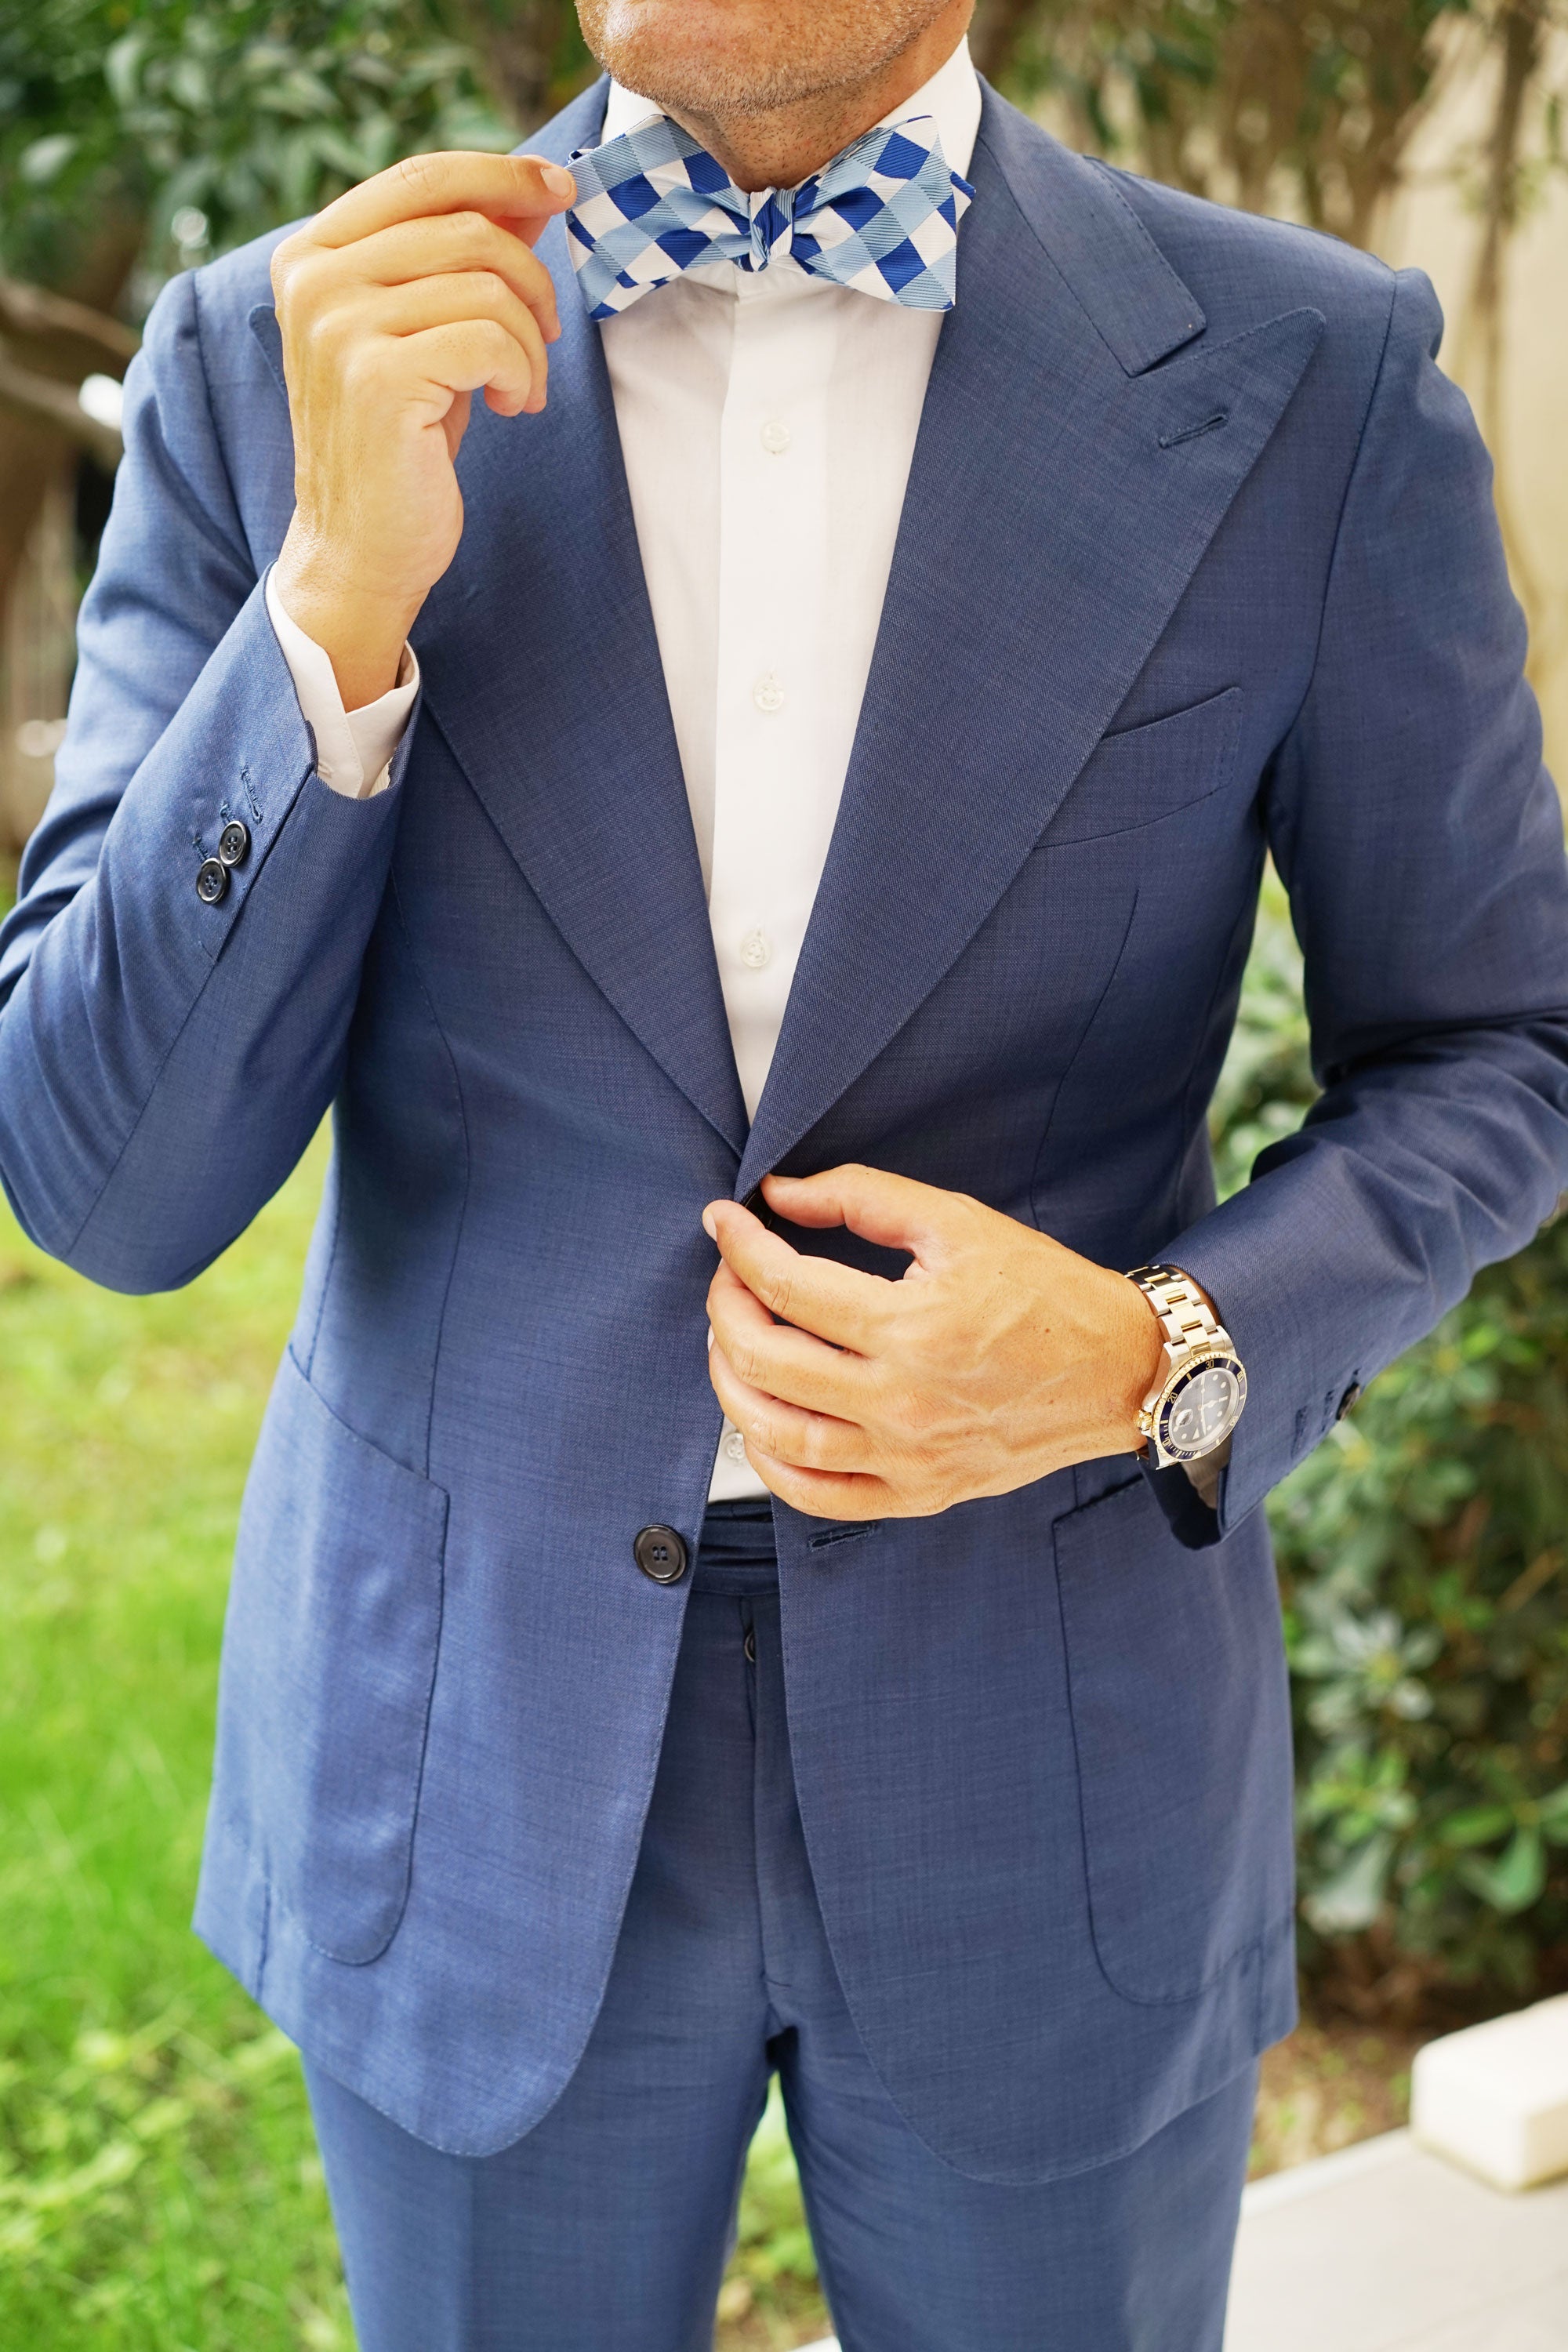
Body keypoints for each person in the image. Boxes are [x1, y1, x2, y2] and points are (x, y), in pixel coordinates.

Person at [4, 0, 1567, 2343]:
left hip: (1050, 1758)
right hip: (470, 1753)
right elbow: (103, 1189)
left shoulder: (1305, 376)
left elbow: (1493, 1046)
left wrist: (1167, 1345)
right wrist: (331, 599)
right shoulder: (274, 359)